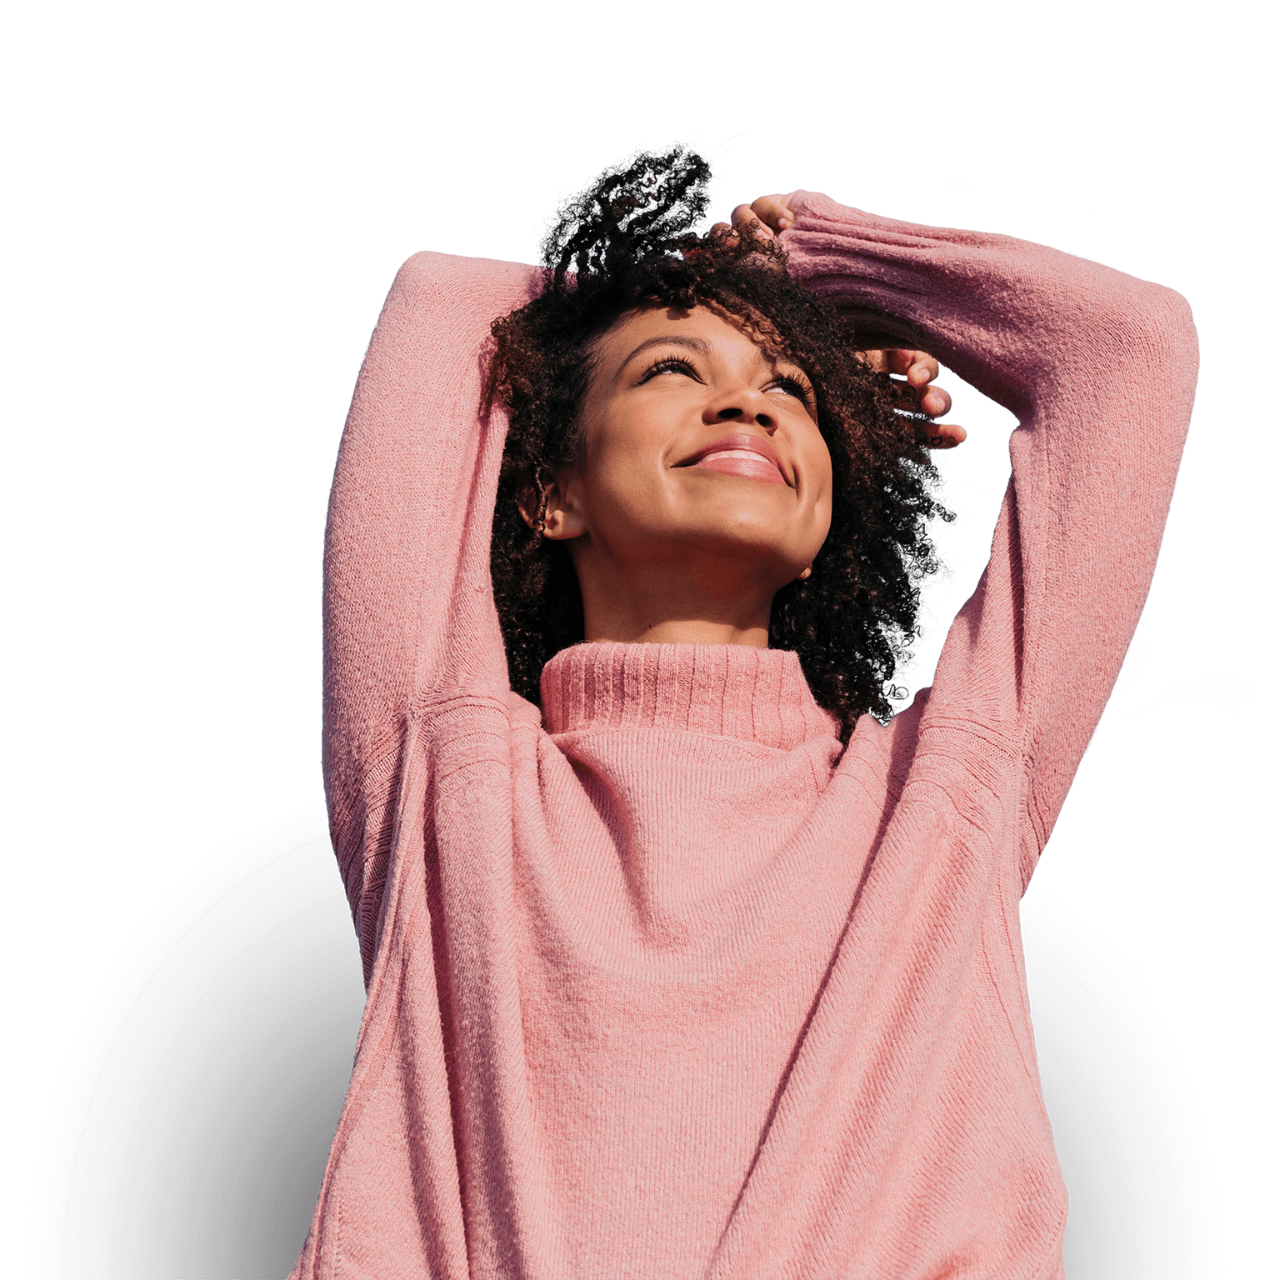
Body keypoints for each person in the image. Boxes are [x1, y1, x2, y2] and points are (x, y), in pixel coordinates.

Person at [294, 156, 1198, 1279]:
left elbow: (1131, 349)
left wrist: (821, 259)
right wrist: (678, 272)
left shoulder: (936, 798)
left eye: (792, 391)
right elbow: (440, 301)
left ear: (830, 496)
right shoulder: (443, 772)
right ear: (548, 490)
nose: (745, 401)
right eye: (672, 367)